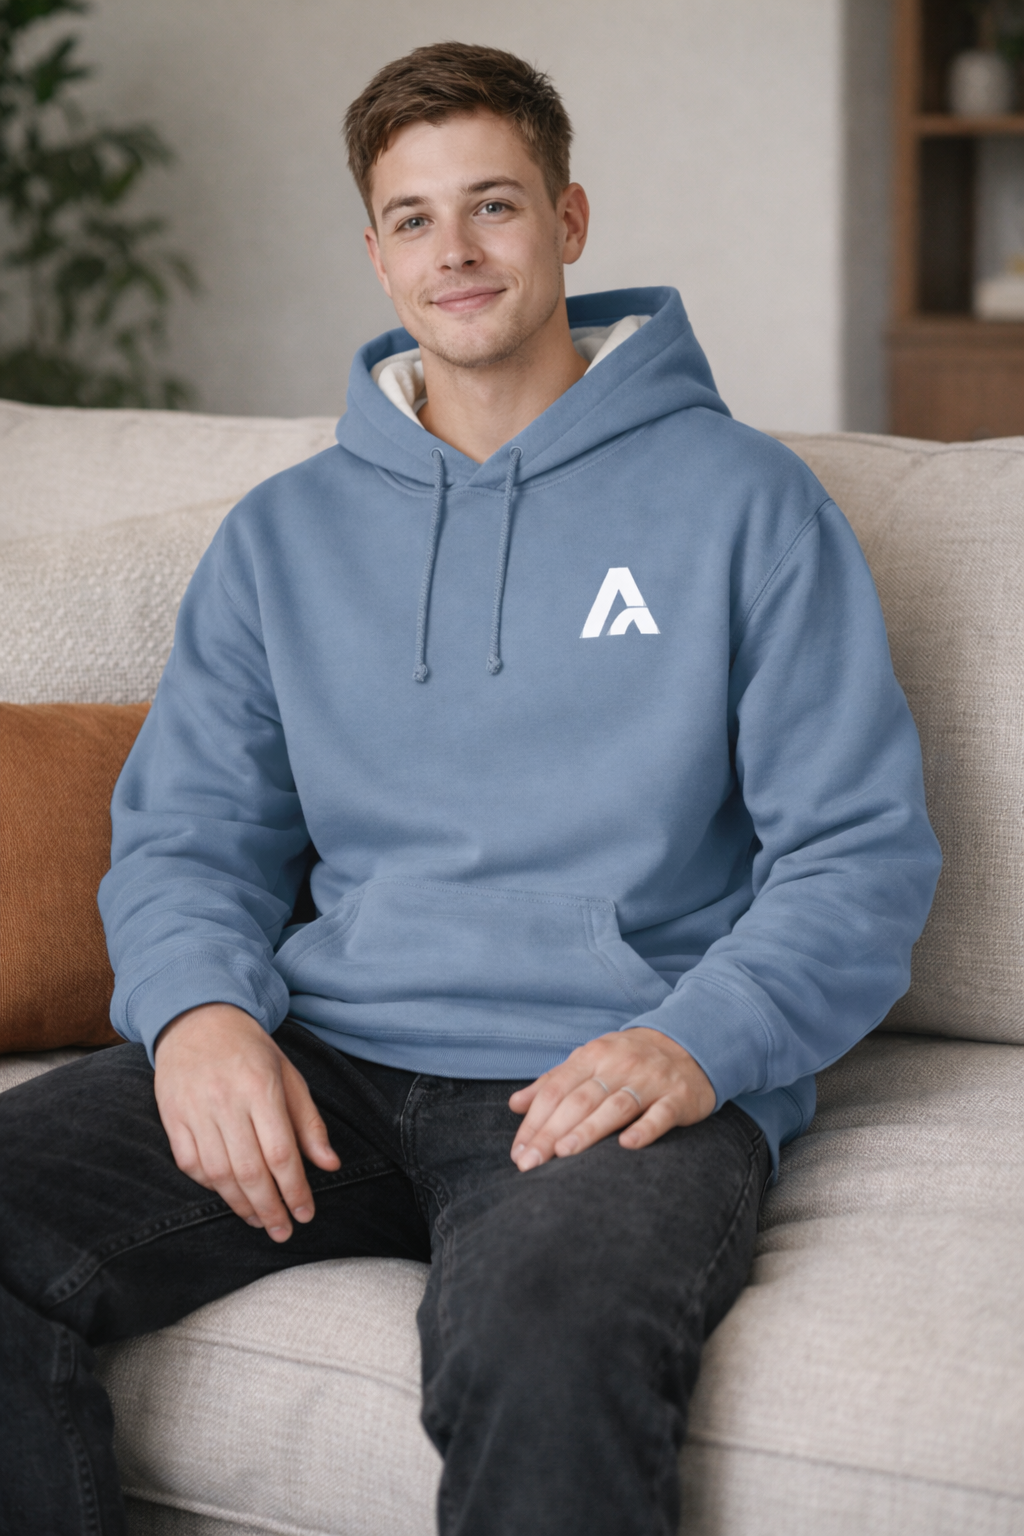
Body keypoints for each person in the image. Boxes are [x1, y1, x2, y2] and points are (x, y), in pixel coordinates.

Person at [0, 41, 941, 1536]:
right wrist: (198, 1015)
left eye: (494, 205)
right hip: (334, 1059)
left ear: (569, 222)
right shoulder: (282, 538)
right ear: (376, 255)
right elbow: (189, 833)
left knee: (545, 1349)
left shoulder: (745, 503)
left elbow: (862, 857)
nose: (458, 250)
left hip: (613, 1074)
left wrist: (696, 1044)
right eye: (417, 217)